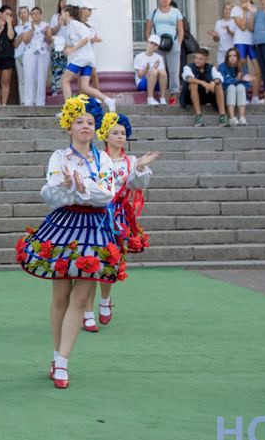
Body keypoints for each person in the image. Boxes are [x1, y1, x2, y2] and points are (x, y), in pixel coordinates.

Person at [14, 95, 121, 390]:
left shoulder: (105, 159)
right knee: (60, 297)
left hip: (95, 229)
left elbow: (107, 194)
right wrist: (68, 187)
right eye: (79, 122)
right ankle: (56, 354)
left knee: (80, 298)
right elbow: (50, 195)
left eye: (90, 122)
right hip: (63, 226)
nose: (85, 126)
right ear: (68, 127)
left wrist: (81, 187)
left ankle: (62, 362)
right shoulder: (59, 157)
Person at [91, 111, 158, 330]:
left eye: (123, 133)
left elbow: (136, 185)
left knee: (111, 259)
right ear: (105, 135)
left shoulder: (130, 161)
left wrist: (139, 166)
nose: (120, 136)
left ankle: (104, 300)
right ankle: (84, 309)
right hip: (95, 213)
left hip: (117, 216)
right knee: (90, 259)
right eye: (115, 133)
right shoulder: (95, 158)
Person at [62, 5, 113, 109]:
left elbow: (86, 38)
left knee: (65, 80)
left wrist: (72, 49)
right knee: (84, 87)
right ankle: (108, 100)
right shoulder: (71, 25)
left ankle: (69, 109)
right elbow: (78, 41)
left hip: (82, 58)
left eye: (62, 13)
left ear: (67, 14)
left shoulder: (74, 24)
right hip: (88, 59)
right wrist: (68, 48)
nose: (60, 15)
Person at [145, 0, 185, 104]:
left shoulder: (176, 12)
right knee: (158, 69)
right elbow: (148, 29)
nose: (165, 0)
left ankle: (174, 96)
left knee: (173, 71)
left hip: (173, 44)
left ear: (170, 0)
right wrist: (151, 44)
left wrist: (179, 43)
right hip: (158, 45)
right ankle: (159, 95)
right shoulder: (153, 13)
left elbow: (181, 29)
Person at [182, 47, 227, 126]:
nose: (197, 60)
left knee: (218, 85)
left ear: (206, 60)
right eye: (195, 58)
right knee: (193, 84)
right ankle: (198, 117)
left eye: (200, 59)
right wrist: (203, 83)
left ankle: (222, 116)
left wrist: (213, 82)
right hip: (189, 97)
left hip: (206, 95)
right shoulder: (188, 67)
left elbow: (219, 77)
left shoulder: (211, 68)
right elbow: (188, 78)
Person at [232, 0, 261, 101]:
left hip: (252, 42)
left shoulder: (255, 9)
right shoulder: (236, 9)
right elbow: (242, 27)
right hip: (240, 41)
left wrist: (250, 11)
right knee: (241, 68)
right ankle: (242, 96)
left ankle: (255, 96)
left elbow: (254, 27)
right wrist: (244, 11)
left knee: (258, 69)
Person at [0, 5, 18, 106]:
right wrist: (1, 28)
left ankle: (4, 105)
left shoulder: (10, 25)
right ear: (0, 14)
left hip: (7, 55)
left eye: (10, 15)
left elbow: (11, 37)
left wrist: (9, 24)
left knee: (5, 82)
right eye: (6, 14)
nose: (8, 16)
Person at [217, 47, 251, 126]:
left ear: (238, 57)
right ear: (227, 57)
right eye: (230, 56)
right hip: (226, 93)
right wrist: (236, 79)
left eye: (234, 56)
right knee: (232, 87)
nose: (232, 58)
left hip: (239, 93)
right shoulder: (222, 67)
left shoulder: (242, 66)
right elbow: (223, 82)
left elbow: (247, 84)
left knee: (240, 86)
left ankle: (242, 117)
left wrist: (240, 80)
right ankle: (231, 117)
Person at [133, 35, 167, 105]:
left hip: (156, 83)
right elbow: (139, 76)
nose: (153, 46)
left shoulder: (159, 57)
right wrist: (148, 69)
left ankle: (162, 98)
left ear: (157, 47)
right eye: (151, 43)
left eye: (155, 45)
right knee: (154, 71)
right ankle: (150, 98)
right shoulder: (139, 57)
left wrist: (152, 69)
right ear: (147, 43)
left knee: (163, 72)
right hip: (142, 83)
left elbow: (162, 74)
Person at [49, 0, 70, 97]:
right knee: (57, 72)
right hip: (57, 50)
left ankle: (68, 95)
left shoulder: (72, 19)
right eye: (61, 2)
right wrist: (59, 24)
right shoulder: (55, 17)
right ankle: (55, 94)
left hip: (70, 49)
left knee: (68, 72)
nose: (63, 3)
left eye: (65, 1)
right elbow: (52, 33)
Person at [15, 5, 31, 105]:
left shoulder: (32, 26)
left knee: (30, 78)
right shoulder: (16, 28)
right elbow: (15, 43)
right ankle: (23, 101)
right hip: (19, 55)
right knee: (21, 79)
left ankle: (31, 100)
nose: (23, 14)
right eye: (21, 13)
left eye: (25, 12)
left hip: (30, 55)